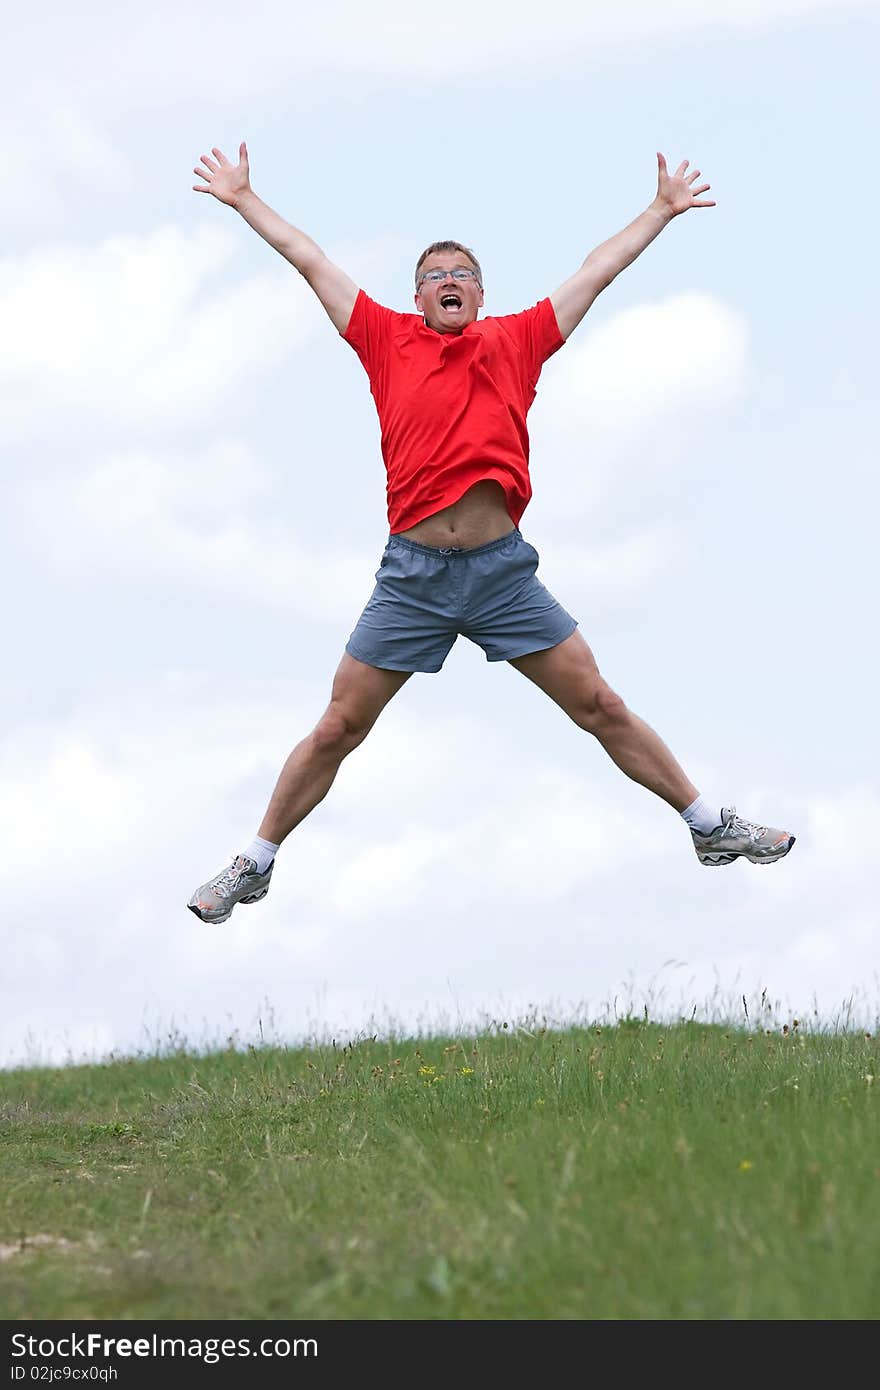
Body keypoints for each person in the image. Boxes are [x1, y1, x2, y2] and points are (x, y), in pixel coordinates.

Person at [187, 142, 794, 925]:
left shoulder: (517, 342)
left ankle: (710, 827)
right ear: (416, 297)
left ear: (480, 295)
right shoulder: (382, 338)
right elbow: (310, 259)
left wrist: (660, 210)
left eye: (462, 274)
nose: (448, 281)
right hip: (413, 579)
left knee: (600, 705)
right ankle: (255, 862)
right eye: (434, 274)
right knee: (339, 725)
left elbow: (595, 271)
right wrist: (242, 199)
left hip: (501, 576)